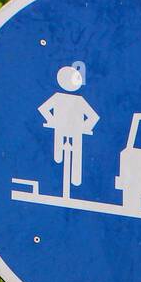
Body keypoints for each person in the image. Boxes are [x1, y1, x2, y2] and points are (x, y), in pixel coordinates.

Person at [38, 66, 99, 195]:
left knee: (76, 153)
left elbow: (93, 117)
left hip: (74, 131)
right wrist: (53, 120)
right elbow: (44, 109)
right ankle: (59, 160)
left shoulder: (77, 100)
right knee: (59, 153)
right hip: (63, 128)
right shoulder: (60, 98)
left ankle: (75, 178)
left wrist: (85, 127)